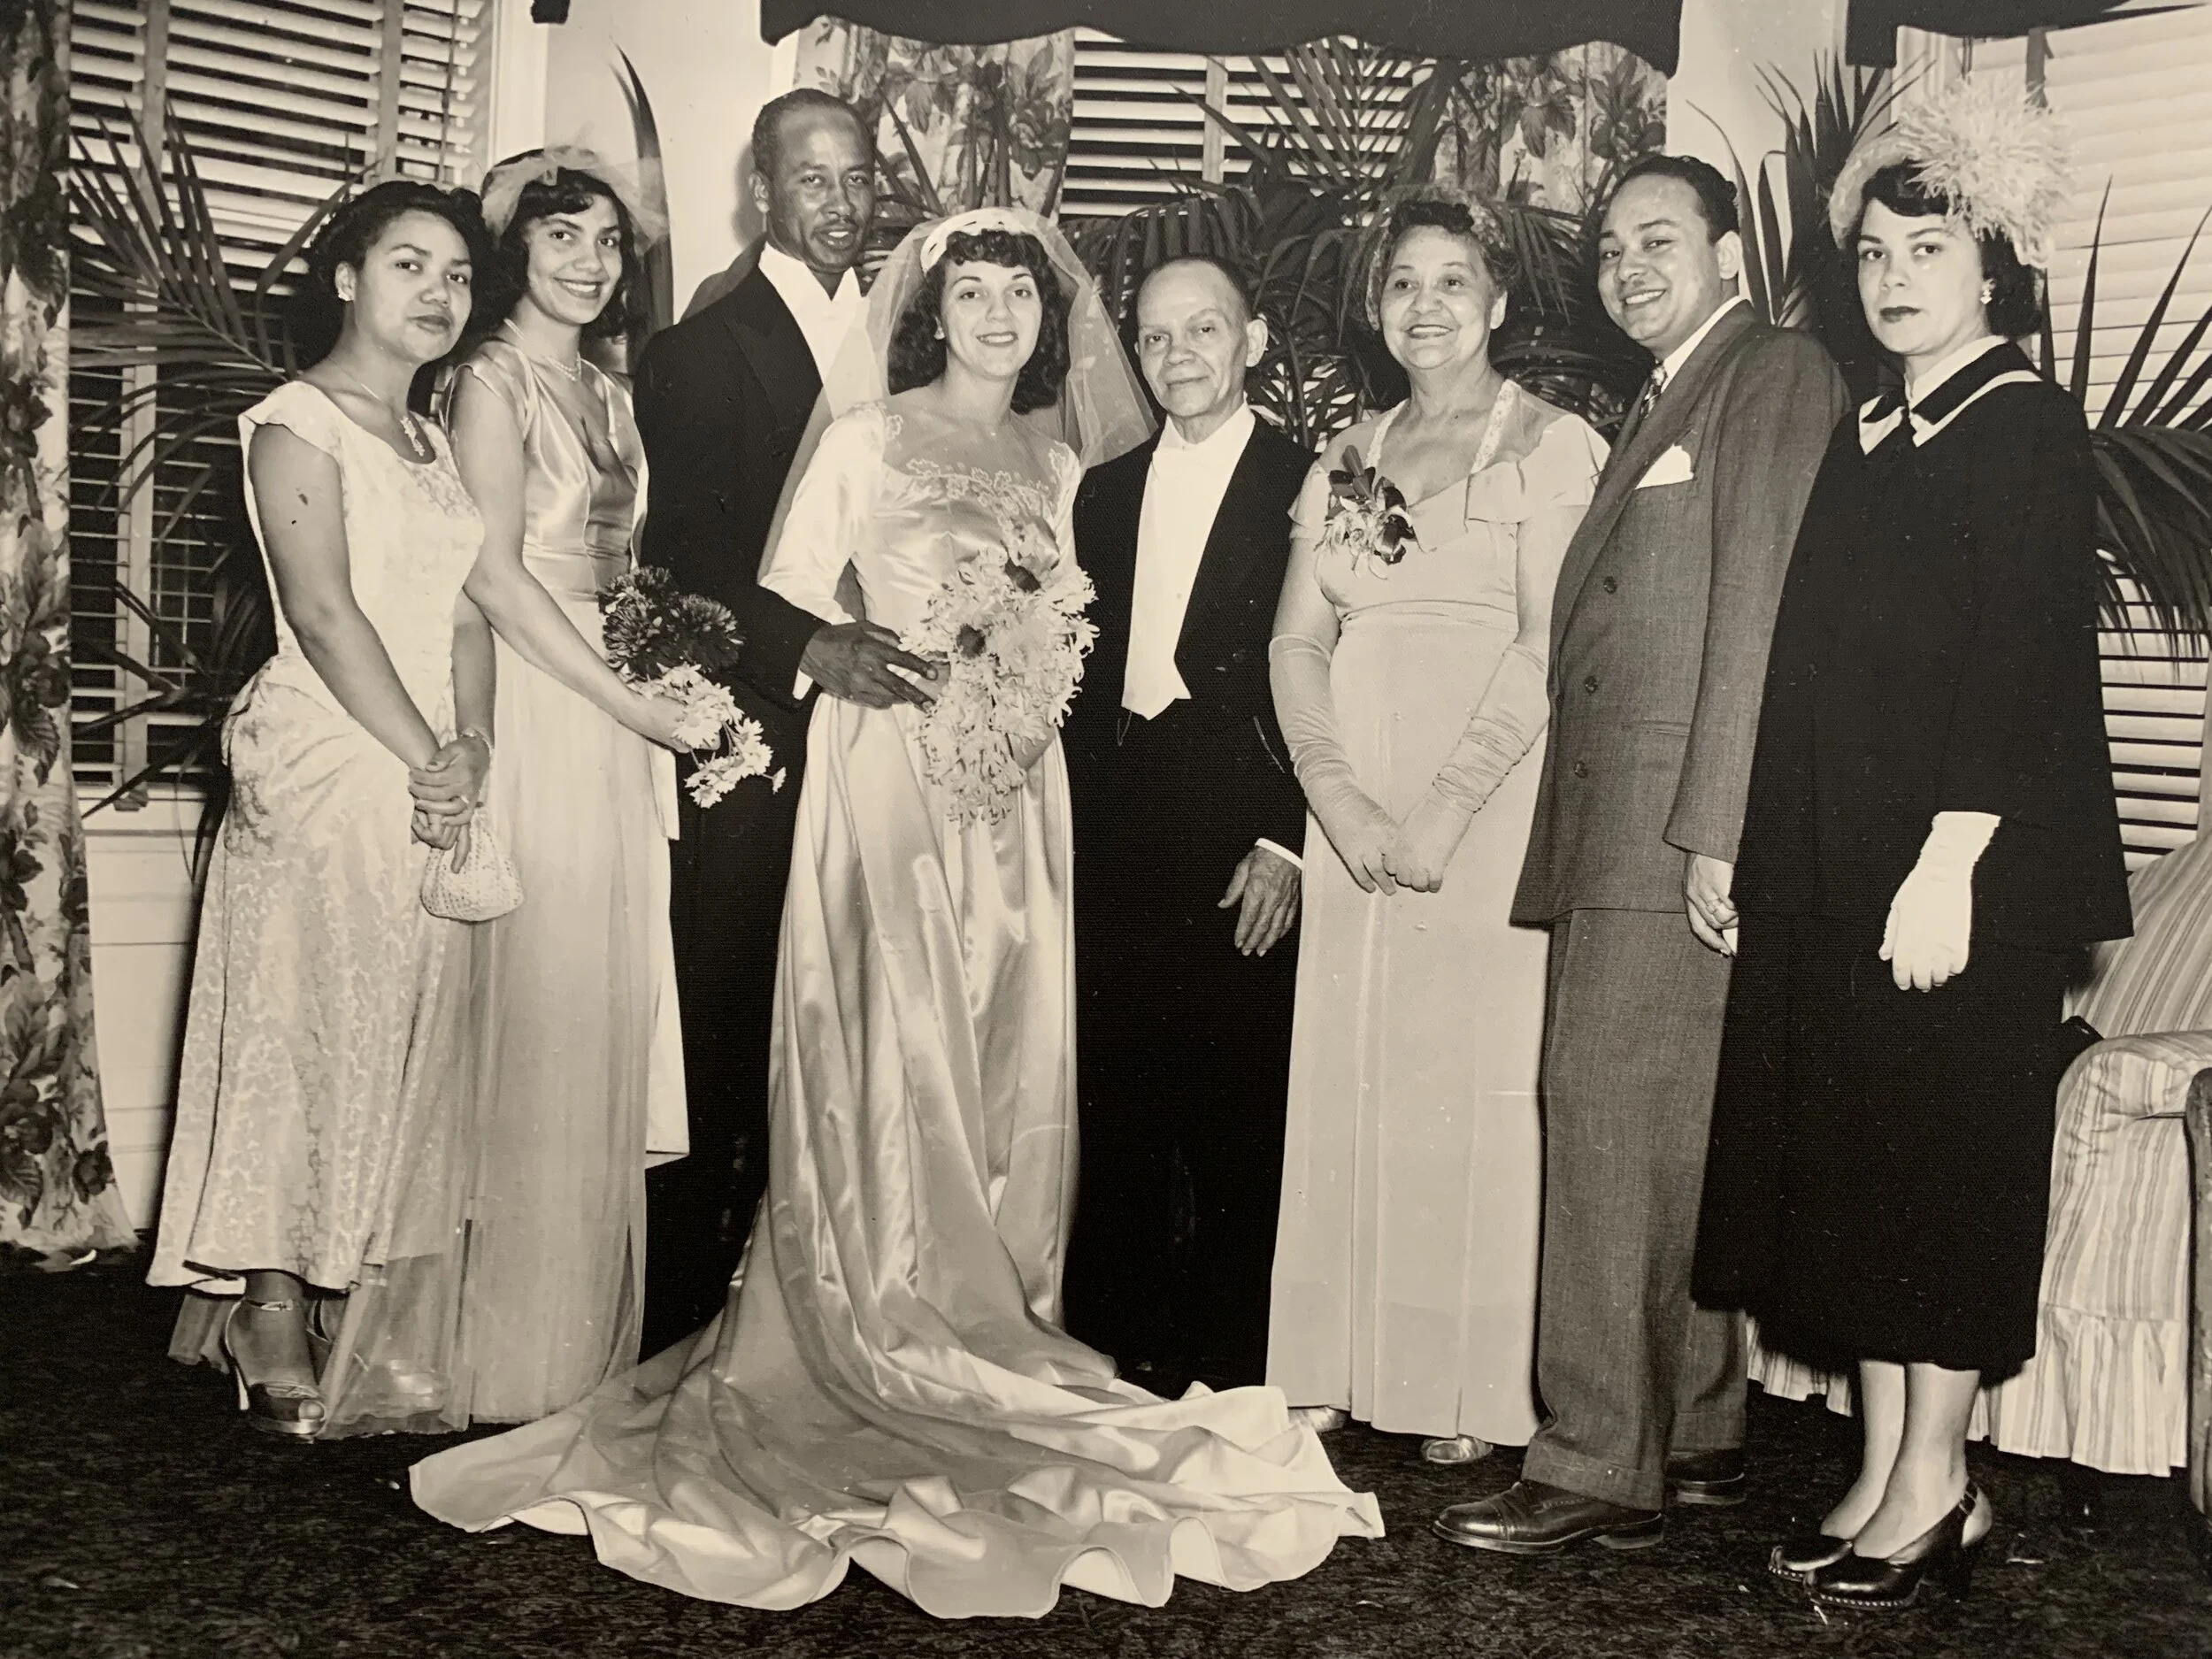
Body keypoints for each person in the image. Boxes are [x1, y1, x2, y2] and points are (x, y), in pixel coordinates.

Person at [410, 209, 1381, 1617]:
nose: (997, 314)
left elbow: (1082, 626)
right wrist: (827, 650)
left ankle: (1003, 1302)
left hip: (1021, 791)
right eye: (971, 292)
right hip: (888, 772)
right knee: (894, 1028)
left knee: (1006, 1040)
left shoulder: (1065, 462)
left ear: (1052, 319)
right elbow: (774, 595)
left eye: (1019, 295)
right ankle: (881, 1302)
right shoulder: (865, 436)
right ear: (933, 311)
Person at [1694, 83, 2131, 1611]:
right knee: (1863, 1182)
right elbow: (1811, 677)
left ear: (1993, 269)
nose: (1893, 275)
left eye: (1928, 248)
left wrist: (1949, 860)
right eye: (1876, 248)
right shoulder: (1876, 425)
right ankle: (1886, 1470)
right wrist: (1765, 861)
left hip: (1962, 883)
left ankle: (1941, 1485)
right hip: (1847, 877)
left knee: (1938, 1184)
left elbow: (2017, 669)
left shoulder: (2022, 427)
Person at [1436, 154, 1847, 1554]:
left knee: (1607, 1125)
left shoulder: (1772, 371)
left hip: (1673, 823)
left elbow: (1760, 611)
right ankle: (1701, 1429)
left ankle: (1593, 1456)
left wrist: (1715, 829)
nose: (1627, 268)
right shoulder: (1671, 392)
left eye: (1657, 239)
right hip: (1634, 822)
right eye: (1609, 249)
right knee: (1667, 1130)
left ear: (1731, 249)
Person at [1266, 188, 1608, 1466]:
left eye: (1452, 280)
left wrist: (1446, 807)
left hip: (1487, 795)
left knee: (1469, 1081)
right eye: (1403, 282)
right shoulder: (1345, 451)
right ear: (1375, 307)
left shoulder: (1550, 443)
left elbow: (1544, 643)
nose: (1426, 304)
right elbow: (1298, 636)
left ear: (1499, 302)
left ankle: (1463, 1380)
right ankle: (1339, 1360)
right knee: (1353, 1069)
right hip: (1353, 793)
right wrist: (1339, 796)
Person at [147, 181, 490, 1438]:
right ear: (346, 279)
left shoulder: (435, 442)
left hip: (422, 761)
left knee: (392, 1030)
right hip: (331, 753)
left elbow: (461, 612)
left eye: (456, 273)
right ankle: (270, 1302)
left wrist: (474, 742)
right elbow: (329, 611)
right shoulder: (295, 422)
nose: (438, 293)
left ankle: (354, 1290)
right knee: (299, 1022)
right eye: (410, 264)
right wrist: (425, 757)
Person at [632, 88, 938, 1354]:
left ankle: (826, 1311)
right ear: (764, 191)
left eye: (858, 178)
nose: (841, 201)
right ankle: (686, 1325)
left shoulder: (914, 343)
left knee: (860, 1020)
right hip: (759, 725)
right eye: (812, 180)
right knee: (728, 1010)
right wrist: (805, 647)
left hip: (894, 741)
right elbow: (680, 553)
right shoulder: (699, 348)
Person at [396, 148, 692, 1427]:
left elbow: (625, 564)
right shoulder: (490, 380)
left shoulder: (610, 389)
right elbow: (497, 574)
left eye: (609, 244)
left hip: (614, 706)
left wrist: (667, 678)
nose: (588, 261)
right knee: (532, 1010)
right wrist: (625, 697)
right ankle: (491, 1350)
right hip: (542, 699)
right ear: (515, 249)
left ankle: (568, 1339)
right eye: (562, 237)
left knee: (593, 1011)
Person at [1057, 255, 1311, 1390]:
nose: (1179, 356)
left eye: (1203, 329)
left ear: (1251, 339)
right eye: (1155, 337)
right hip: (1116, 812)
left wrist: (1286, 835)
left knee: (1236, 1092)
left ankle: (1230, 1351)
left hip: (1242, 816)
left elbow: (1328, 676)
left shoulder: (1311, 480)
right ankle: (1117, 1336)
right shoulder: (1100, 493)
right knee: (1120, 1082)